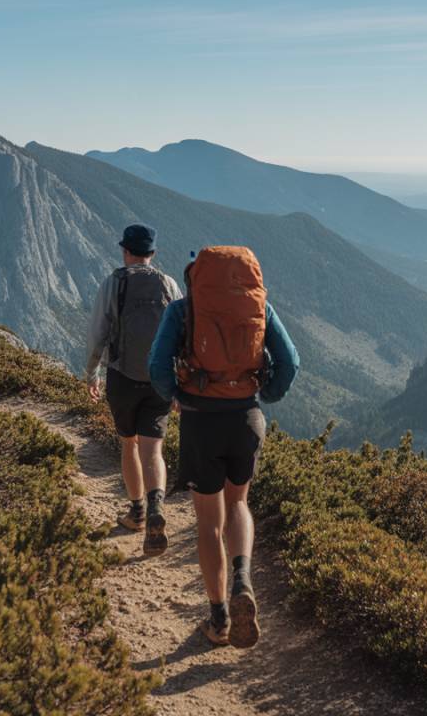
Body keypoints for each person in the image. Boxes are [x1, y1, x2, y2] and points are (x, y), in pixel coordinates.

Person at [148, 246, 299, 649]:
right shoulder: (259, 307)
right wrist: (265, 391)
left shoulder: (182, 310)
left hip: (201, 420)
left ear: (197, 276)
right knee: (238, 505)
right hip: (246, 419)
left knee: (208, 523)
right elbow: (291, 363)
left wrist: (176, 396)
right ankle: (243, 578)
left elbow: (156, 366)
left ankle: (218, 618)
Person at [86, 224, 182, 557]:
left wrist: (91, 373)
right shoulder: (168, 284)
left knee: (129, 444)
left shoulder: (114, 283)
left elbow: (98, 332)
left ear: (126, 251)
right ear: (152, 254)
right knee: (153, 449)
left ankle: (138, 512)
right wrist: (178, 385)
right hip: (159, 381)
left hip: (122, 378)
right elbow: (181, 336)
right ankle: (157, 508)